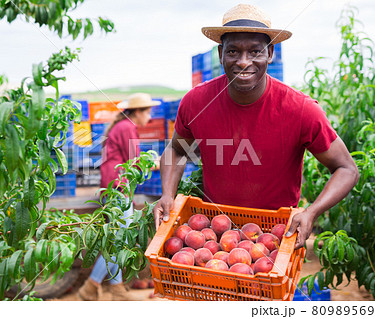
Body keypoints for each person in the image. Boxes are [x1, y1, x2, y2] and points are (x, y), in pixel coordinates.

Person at [153, 4, 359, 250]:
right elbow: (177, 150)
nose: (243, 62)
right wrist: (167, 194)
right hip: (215, 236)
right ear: (220, 54)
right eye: (233, 52)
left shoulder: (301, 109)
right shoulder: (196, 102)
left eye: (255, 51)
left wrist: (312, 212)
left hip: (277, 238)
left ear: (270, 53)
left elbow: (347, 169)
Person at [78, 93, 160, 301]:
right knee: (119, 240)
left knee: (117, 239)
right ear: (137, 112)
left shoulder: (122, 126)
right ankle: (94, 285)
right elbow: (134, 161)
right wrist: (155, 164)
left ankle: (112, 289)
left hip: (115, 188)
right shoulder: (127, 128)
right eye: (147, 112)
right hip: (118, 188)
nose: (149, 117)